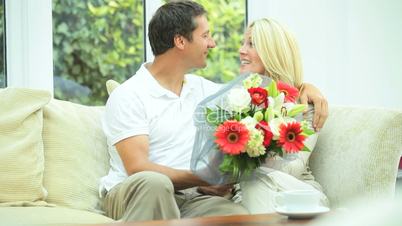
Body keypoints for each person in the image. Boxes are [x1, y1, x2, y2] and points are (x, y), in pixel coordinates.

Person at [100, 1, 328, 222]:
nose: (213, 44)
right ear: (180, 41)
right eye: (205, 35)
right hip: (135, 193)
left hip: (193, 197)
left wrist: (305, 88)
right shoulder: (129, 95)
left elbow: (264, 92)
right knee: (156, 184)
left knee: (234, 215)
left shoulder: (206, 91)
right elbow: (137, 168)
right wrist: (201, 178)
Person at [236, 18, 329, 213]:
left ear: (272, 53)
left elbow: (293, 167)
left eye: (252, 44)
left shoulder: (304, 104)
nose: (241, 50)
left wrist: (245, 163)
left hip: (298, 193)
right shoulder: (240, 100)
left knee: (254, 184)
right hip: (248, 192)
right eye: (244, 43)